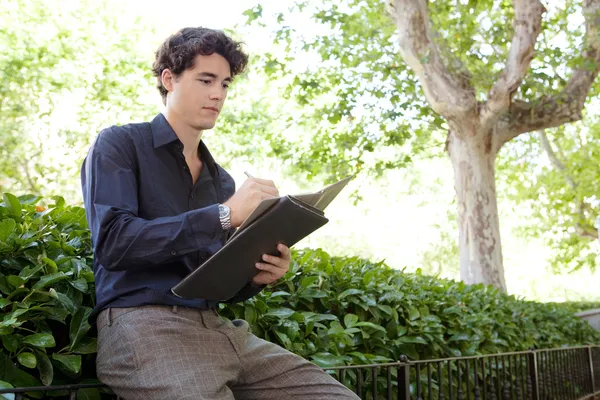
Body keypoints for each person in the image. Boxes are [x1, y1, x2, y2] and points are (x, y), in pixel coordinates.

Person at [80, 27, 360, 400]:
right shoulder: (120, 144)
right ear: (170, 79)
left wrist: (260, 274)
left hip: (220, 329)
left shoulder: (221, 180)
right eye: (206, 79)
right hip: (143, 326)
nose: (217, 94)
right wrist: (224, 215)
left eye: (225, 84)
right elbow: (114, 243)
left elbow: (220, 283)